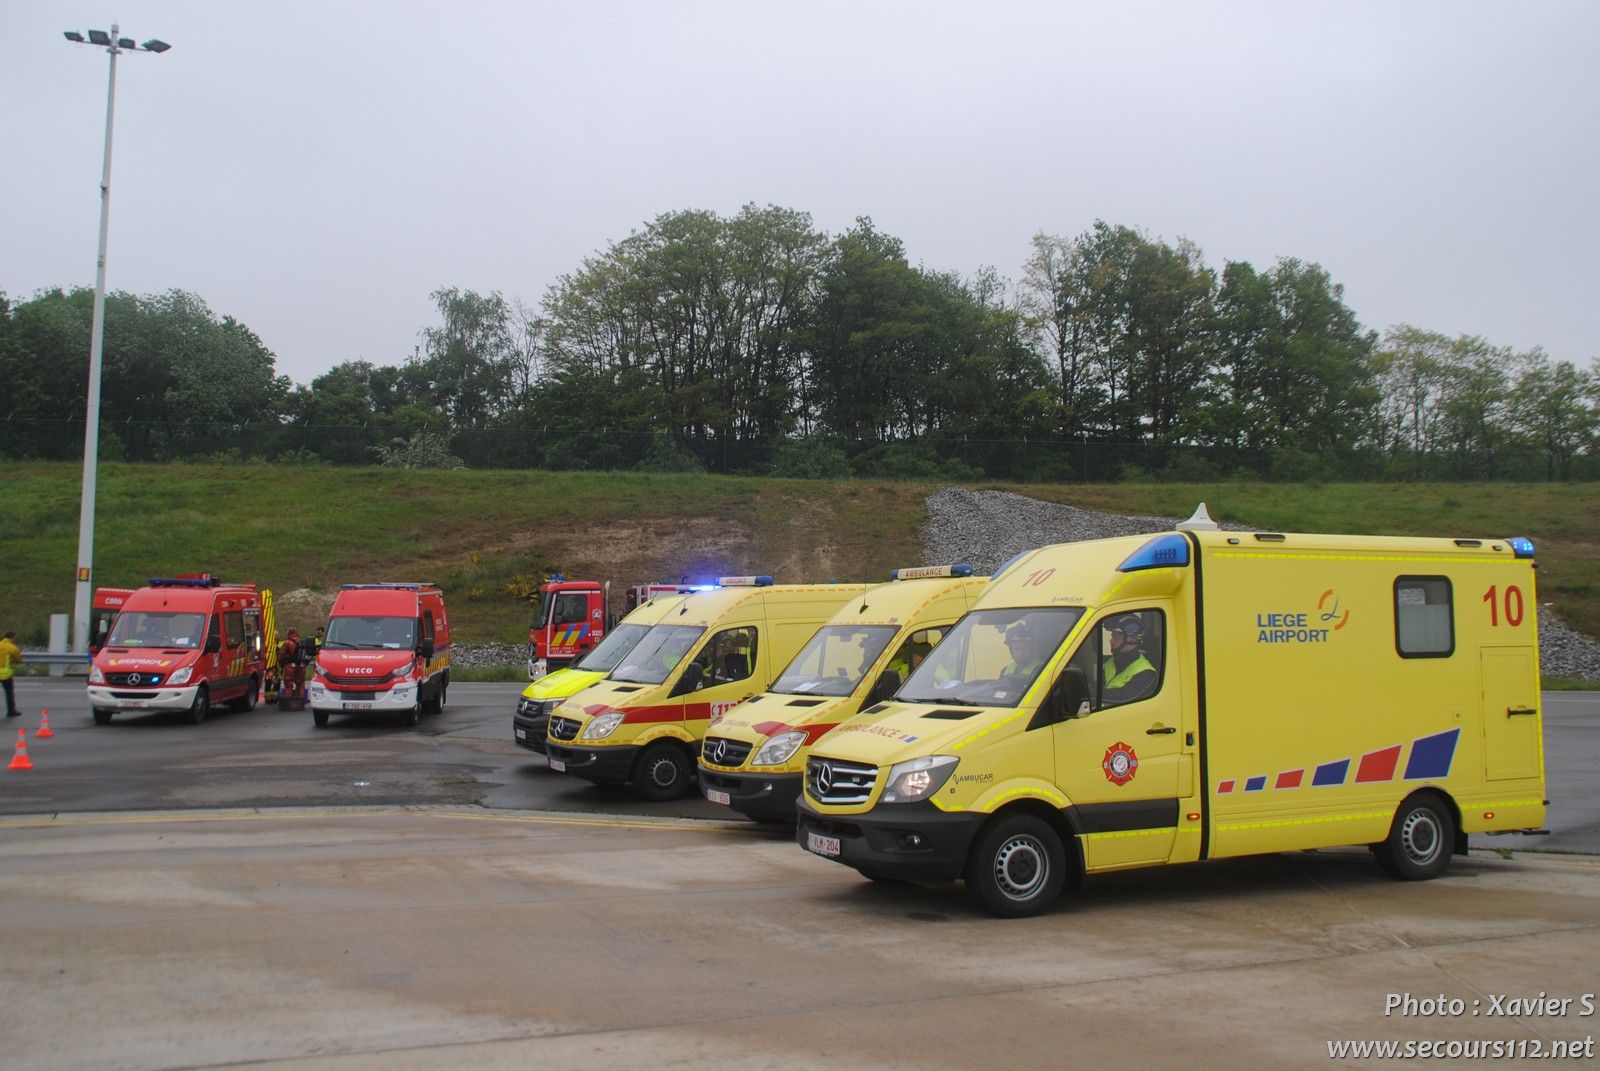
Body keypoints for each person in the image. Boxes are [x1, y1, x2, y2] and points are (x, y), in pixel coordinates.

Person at [1102, 615, 1158, 704]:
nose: (1111, 641)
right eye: (1112, 636)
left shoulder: (1146, 672)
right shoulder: (1111, 662)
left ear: (1133, 638)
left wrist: (1092, 694)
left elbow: (1123, 699)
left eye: (1116, 637)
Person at [0, 630, 22, 718]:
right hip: (5, 674)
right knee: (9, 692)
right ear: (12, 637)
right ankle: (11, 711)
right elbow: (18, 660)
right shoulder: (12, 648)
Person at [280, 628, 303, 700]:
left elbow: (282, 655)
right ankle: (300, 701)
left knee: (288, 684)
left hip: (289, 665)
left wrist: (281, 664)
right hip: (300, 665)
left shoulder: (287, 642)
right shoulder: (301, 642)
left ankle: (288, 701)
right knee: (300, 683)